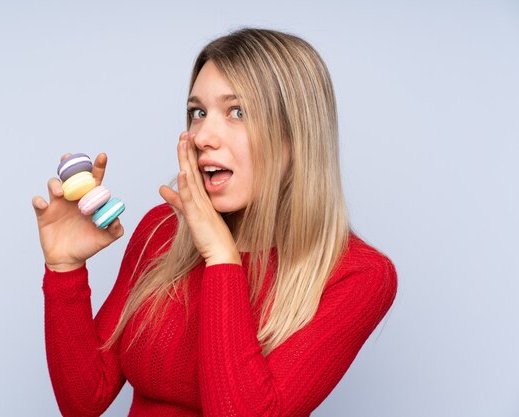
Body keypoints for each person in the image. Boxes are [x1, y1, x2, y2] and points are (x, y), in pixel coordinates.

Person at [32, 27, 398, 417]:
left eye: (237, 112)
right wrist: (65, 269)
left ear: (296, 135)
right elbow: (84, 401)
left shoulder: (359, 275)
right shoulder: (163, 231)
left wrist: (222, 258)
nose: (204, 135)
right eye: (198, 112)